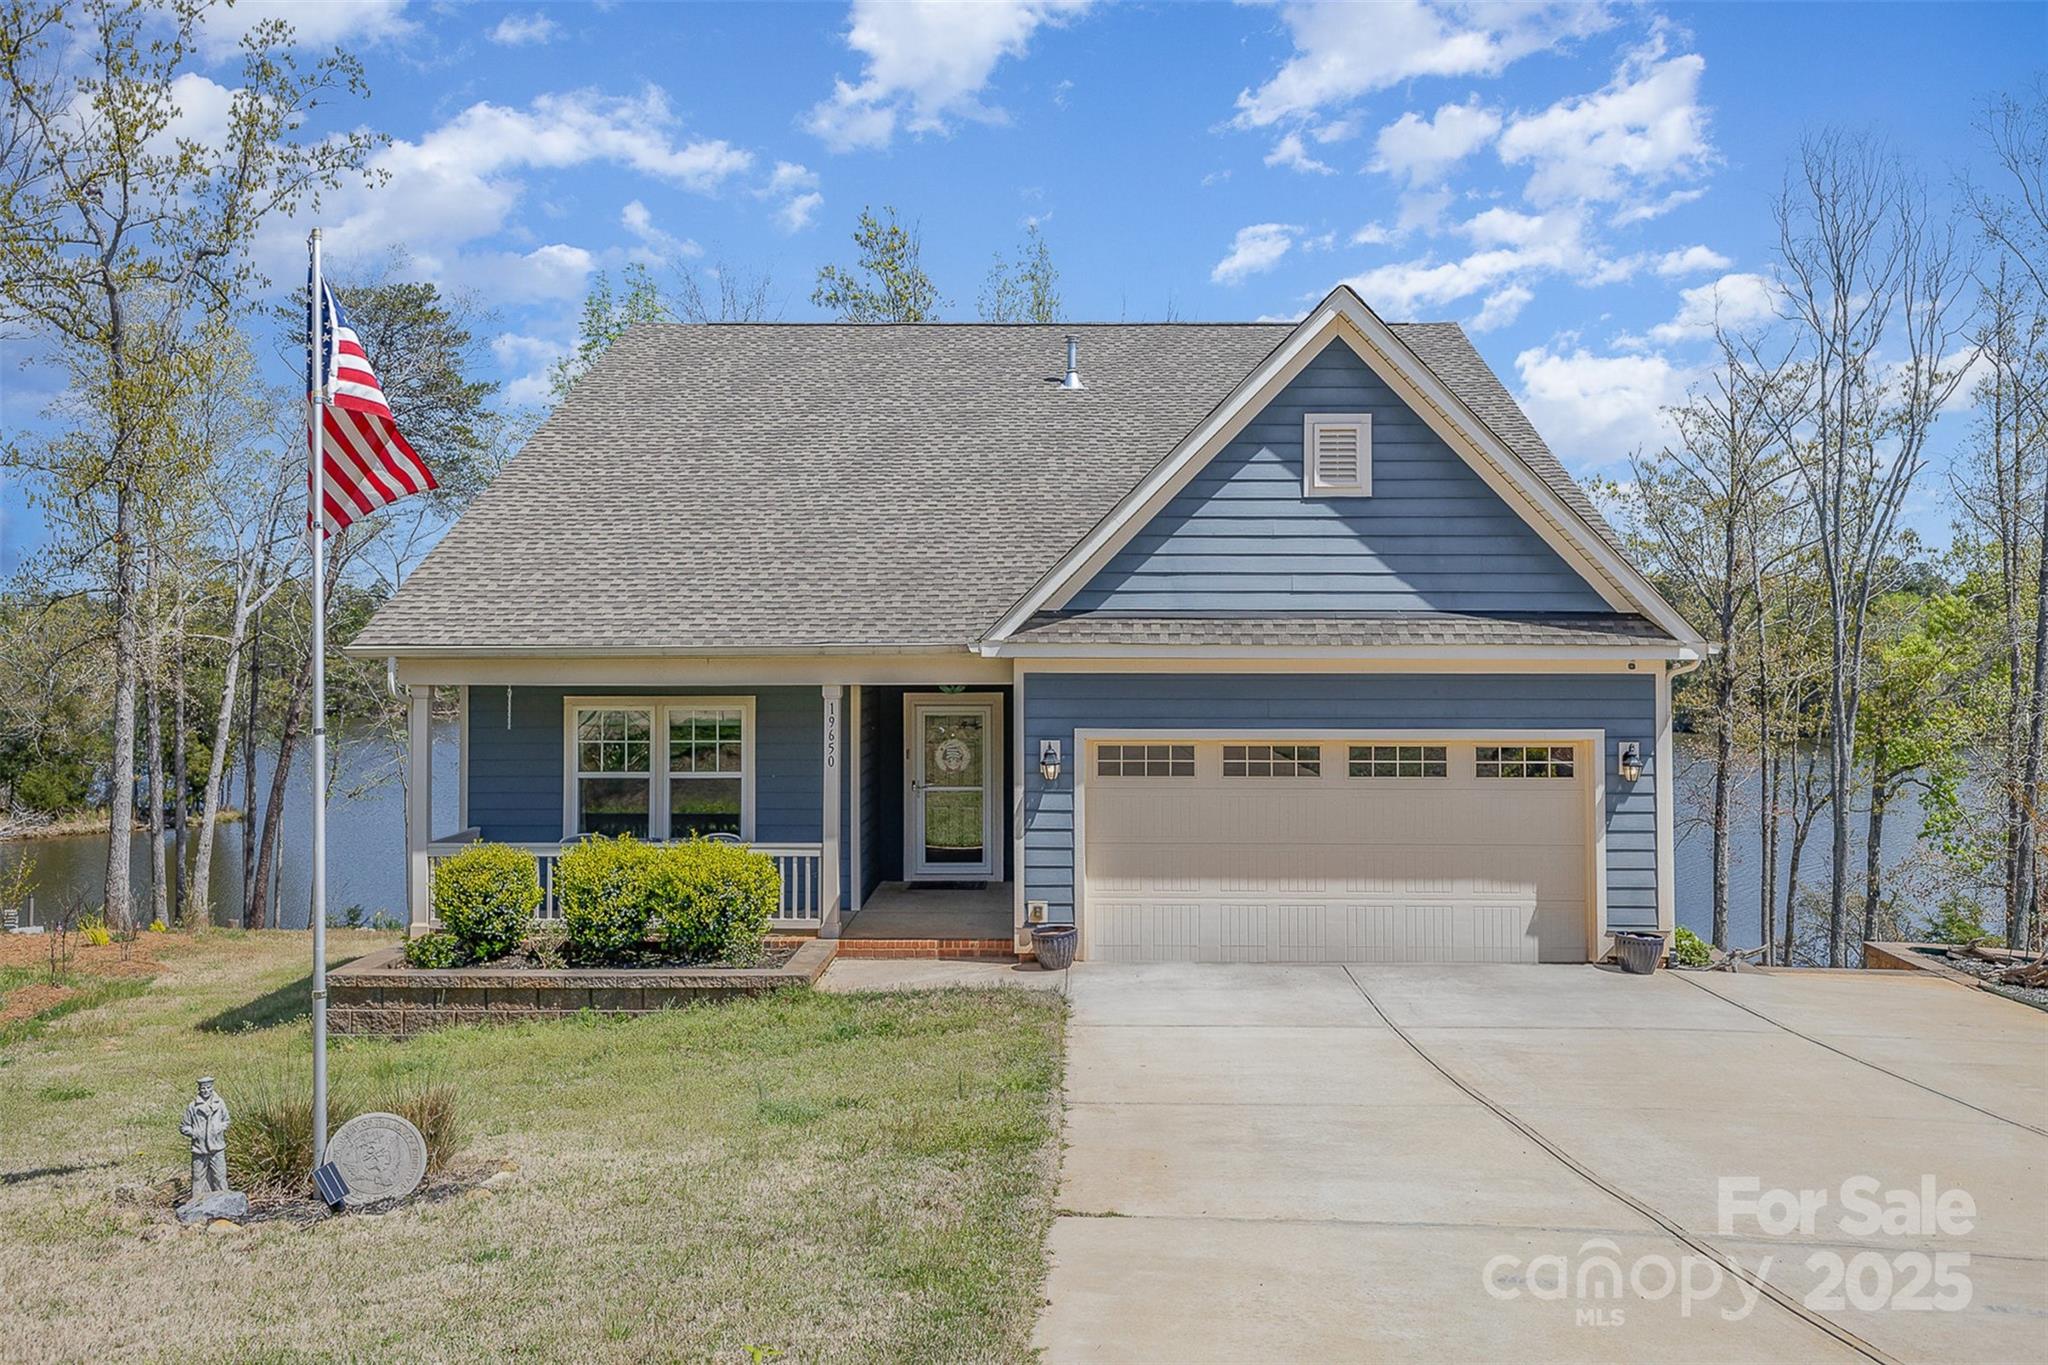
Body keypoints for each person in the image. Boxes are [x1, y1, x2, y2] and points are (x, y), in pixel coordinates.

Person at [180, 1076, 230, 1199]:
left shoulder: (219, 1103)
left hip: (217, 1147)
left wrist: (219, 1128)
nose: (206, 1091)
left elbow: (226, 1121)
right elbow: (184, 1126)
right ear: (199, 1089)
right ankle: (197, 1202)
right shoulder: (193, 1106)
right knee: (198, 1177)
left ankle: (223, 1200)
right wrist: (195, 1133)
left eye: (208, 1088)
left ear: (212, 1088)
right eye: (203, 1088)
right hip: (199, 1149)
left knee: (220, 1176)